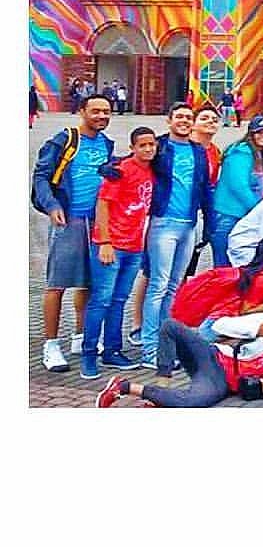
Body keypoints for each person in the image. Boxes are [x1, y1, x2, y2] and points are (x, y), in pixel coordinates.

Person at [96, 293, 263, 408]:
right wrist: (253, 330)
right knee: (170, 326)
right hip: (213, 357)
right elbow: (218, 325)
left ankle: (124, 387)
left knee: (192, 402)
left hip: (223, 383)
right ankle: (162, 385)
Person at [32, 93, 115, 372]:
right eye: (96, 111)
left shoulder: (106, 143)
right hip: (68, 221)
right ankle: (51, 345)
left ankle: (80, 336)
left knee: (88, 282)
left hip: (97, 223)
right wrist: (52, 205)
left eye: (106, 111)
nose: (101, 116)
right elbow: (41, 176)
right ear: (82, 111)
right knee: (57, 283)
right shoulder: (64, 139)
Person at [141, 103, 215, 371]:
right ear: (169, 120)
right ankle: (149, 348)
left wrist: (208, 224)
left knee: (173, 287)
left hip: (188, 225)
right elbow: (134, 160)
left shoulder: (198, 151)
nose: (184, 121)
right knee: (158, 286)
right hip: (163, 223)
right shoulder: (159, 146)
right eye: (179, 117)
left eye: (188, 117)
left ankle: (166, 346)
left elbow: (204, 188)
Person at [80, 126, 158, 378]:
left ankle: (112, 350)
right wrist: (104, 241)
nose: (148, 149)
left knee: (119, 300)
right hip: (111, 245)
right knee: (101, 300)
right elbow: (103, 204)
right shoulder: (121, 170)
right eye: (142, 145)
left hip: (134, 247)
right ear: (132, 147)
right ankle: (88, 354)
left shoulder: (152, 171)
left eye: (152, 144)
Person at [211, 116, 263, 268]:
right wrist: (260, 210)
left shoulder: (260, 154)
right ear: (251, 134)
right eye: (259, 132)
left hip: (243, 216)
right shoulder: (241, 152)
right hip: (228, 215)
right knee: (224, 266)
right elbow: (239, 186)